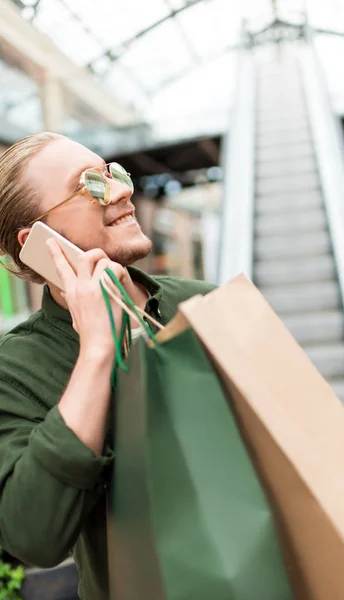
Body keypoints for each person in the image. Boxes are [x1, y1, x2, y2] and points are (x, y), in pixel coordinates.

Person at [0, 132, 215, 600]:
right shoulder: (15, 370)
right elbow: (32, 536)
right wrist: (98, 350)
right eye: (89, 185)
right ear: (38, 241)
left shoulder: (207, 303)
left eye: (113, 173)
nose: (121, 191)